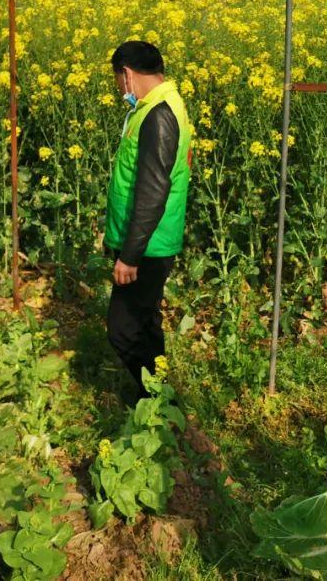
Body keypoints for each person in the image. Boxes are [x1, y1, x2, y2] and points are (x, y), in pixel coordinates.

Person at [103, 41, 192, 399]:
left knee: (122, 329)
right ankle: (159, 393)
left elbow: (153, 191)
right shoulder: (159, 106)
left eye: (117, 81)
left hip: (148, 244)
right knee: (146, 321)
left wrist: (130, 255)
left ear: (126, 74)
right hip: (151, 238)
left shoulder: (158, 114)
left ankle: (151, 401)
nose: (118, 89)